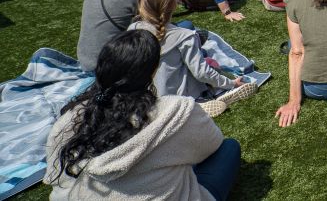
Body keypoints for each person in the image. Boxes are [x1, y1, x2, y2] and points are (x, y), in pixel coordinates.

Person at [46, 30, 241, 201]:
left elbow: (55, 176)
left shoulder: (69, 118)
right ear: (154, 70)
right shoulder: (174, 111)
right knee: (229, 148)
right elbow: (212, 144)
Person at [128, 0, 255, 104]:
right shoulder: (184, 36)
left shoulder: (133, 28)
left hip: (148, 95)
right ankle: (205, 99)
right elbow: (202, 73)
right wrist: (231, 83)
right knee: (209, 64)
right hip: (180, 97)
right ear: (173, 7)